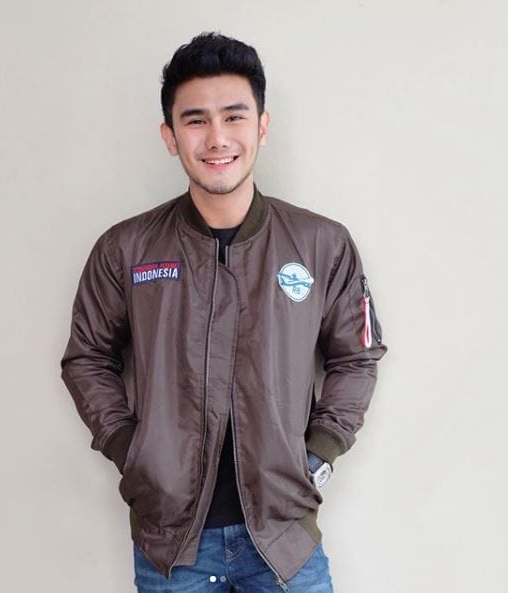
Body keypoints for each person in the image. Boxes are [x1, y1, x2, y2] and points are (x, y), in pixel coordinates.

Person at [60, 32, 387, 593]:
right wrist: (131, 452)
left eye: (234, 116)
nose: (216, 138)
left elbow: (356, 358)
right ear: (170, 136)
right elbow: (86, 358)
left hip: (284, 541)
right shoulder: (126, 249)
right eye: (195, 120)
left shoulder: (321, 245)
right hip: (171, 546)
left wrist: (319, 455)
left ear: (262, 126)